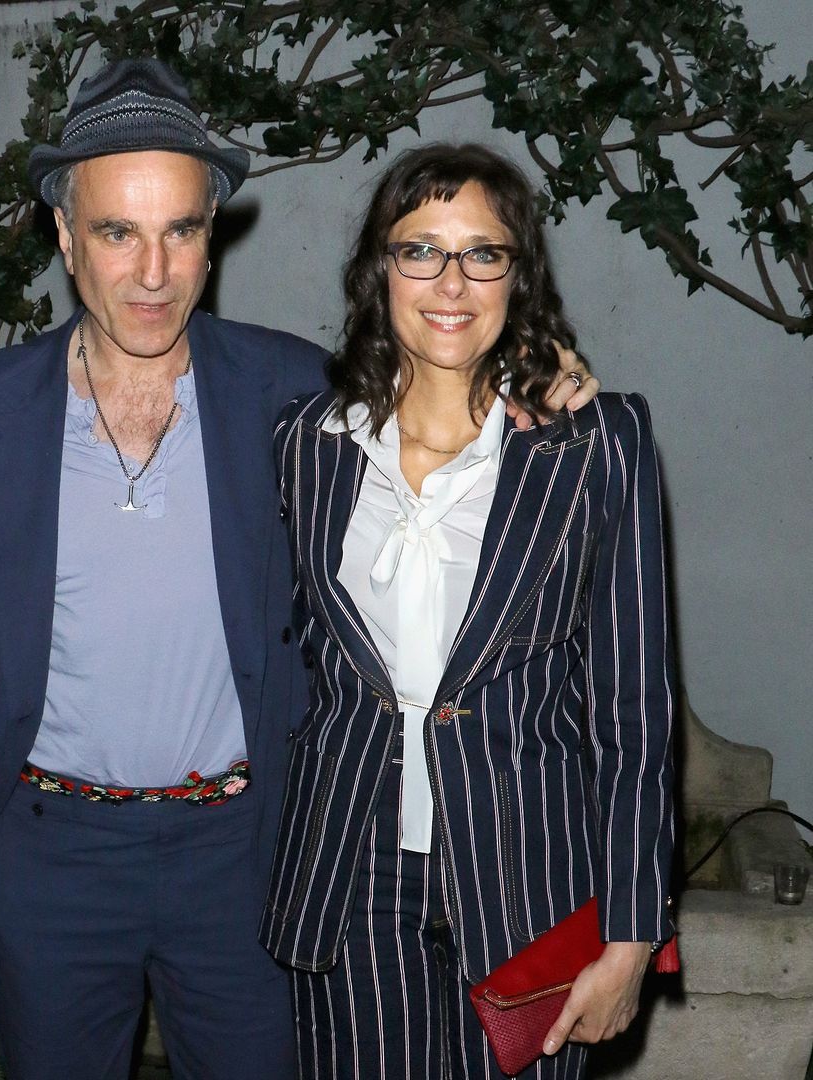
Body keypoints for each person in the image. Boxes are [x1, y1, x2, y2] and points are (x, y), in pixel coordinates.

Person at [0, 61, 597, 1079]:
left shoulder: (288, 392)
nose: (153, 271)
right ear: (63, 234)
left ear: (212, 232)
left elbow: (444, 434)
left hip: (244, 856)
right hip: (48, 857)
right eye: (117, 232)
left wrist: (536, 392)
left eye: (181, 229)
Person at [260, 142, 675, 1080]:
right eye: (421, 250)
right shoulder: (306, 442)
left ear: (516, 275)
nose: (451, 281)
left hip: (535, 882)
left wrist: (633, 933)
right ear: (380, 269)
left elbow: (633, 710)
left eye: (483, 253)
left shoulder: (595, 444)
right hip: (352, 882)